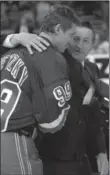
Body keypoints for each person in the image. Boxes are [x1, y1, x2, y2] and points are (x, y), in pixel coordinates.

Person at [2, 23, 109, 175]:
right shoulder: (49, 63)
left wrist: (101, 151)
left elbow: (94, 112)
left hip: (83, 156)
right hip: (52, 157)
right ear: (67, 39)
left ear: (93, 44)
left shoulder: (91, 68)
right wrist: (14, 38)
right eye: (75, 39)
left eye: (86, 41)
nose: (79, 45)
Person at [0, 5, 80, 175]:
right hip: (16, 140)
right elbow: (51, 123)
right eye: (71, 36)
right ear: (58, 29)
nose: (71, 43)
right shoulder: (51, 56)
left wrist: (13, 38)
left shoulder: (9, 52)